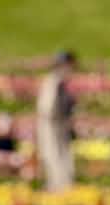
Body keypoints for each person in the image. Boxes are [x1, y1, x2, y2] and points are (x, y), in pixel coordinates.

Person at [36, 49, 76, 192]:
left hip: (60, 126)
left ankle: (63, 187)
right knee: (54, 157)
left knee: (63, 158)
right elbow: (47, 109)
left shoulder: (60, 83)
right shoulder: (53, 83)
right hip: (52, 126)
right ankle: (57, 188)